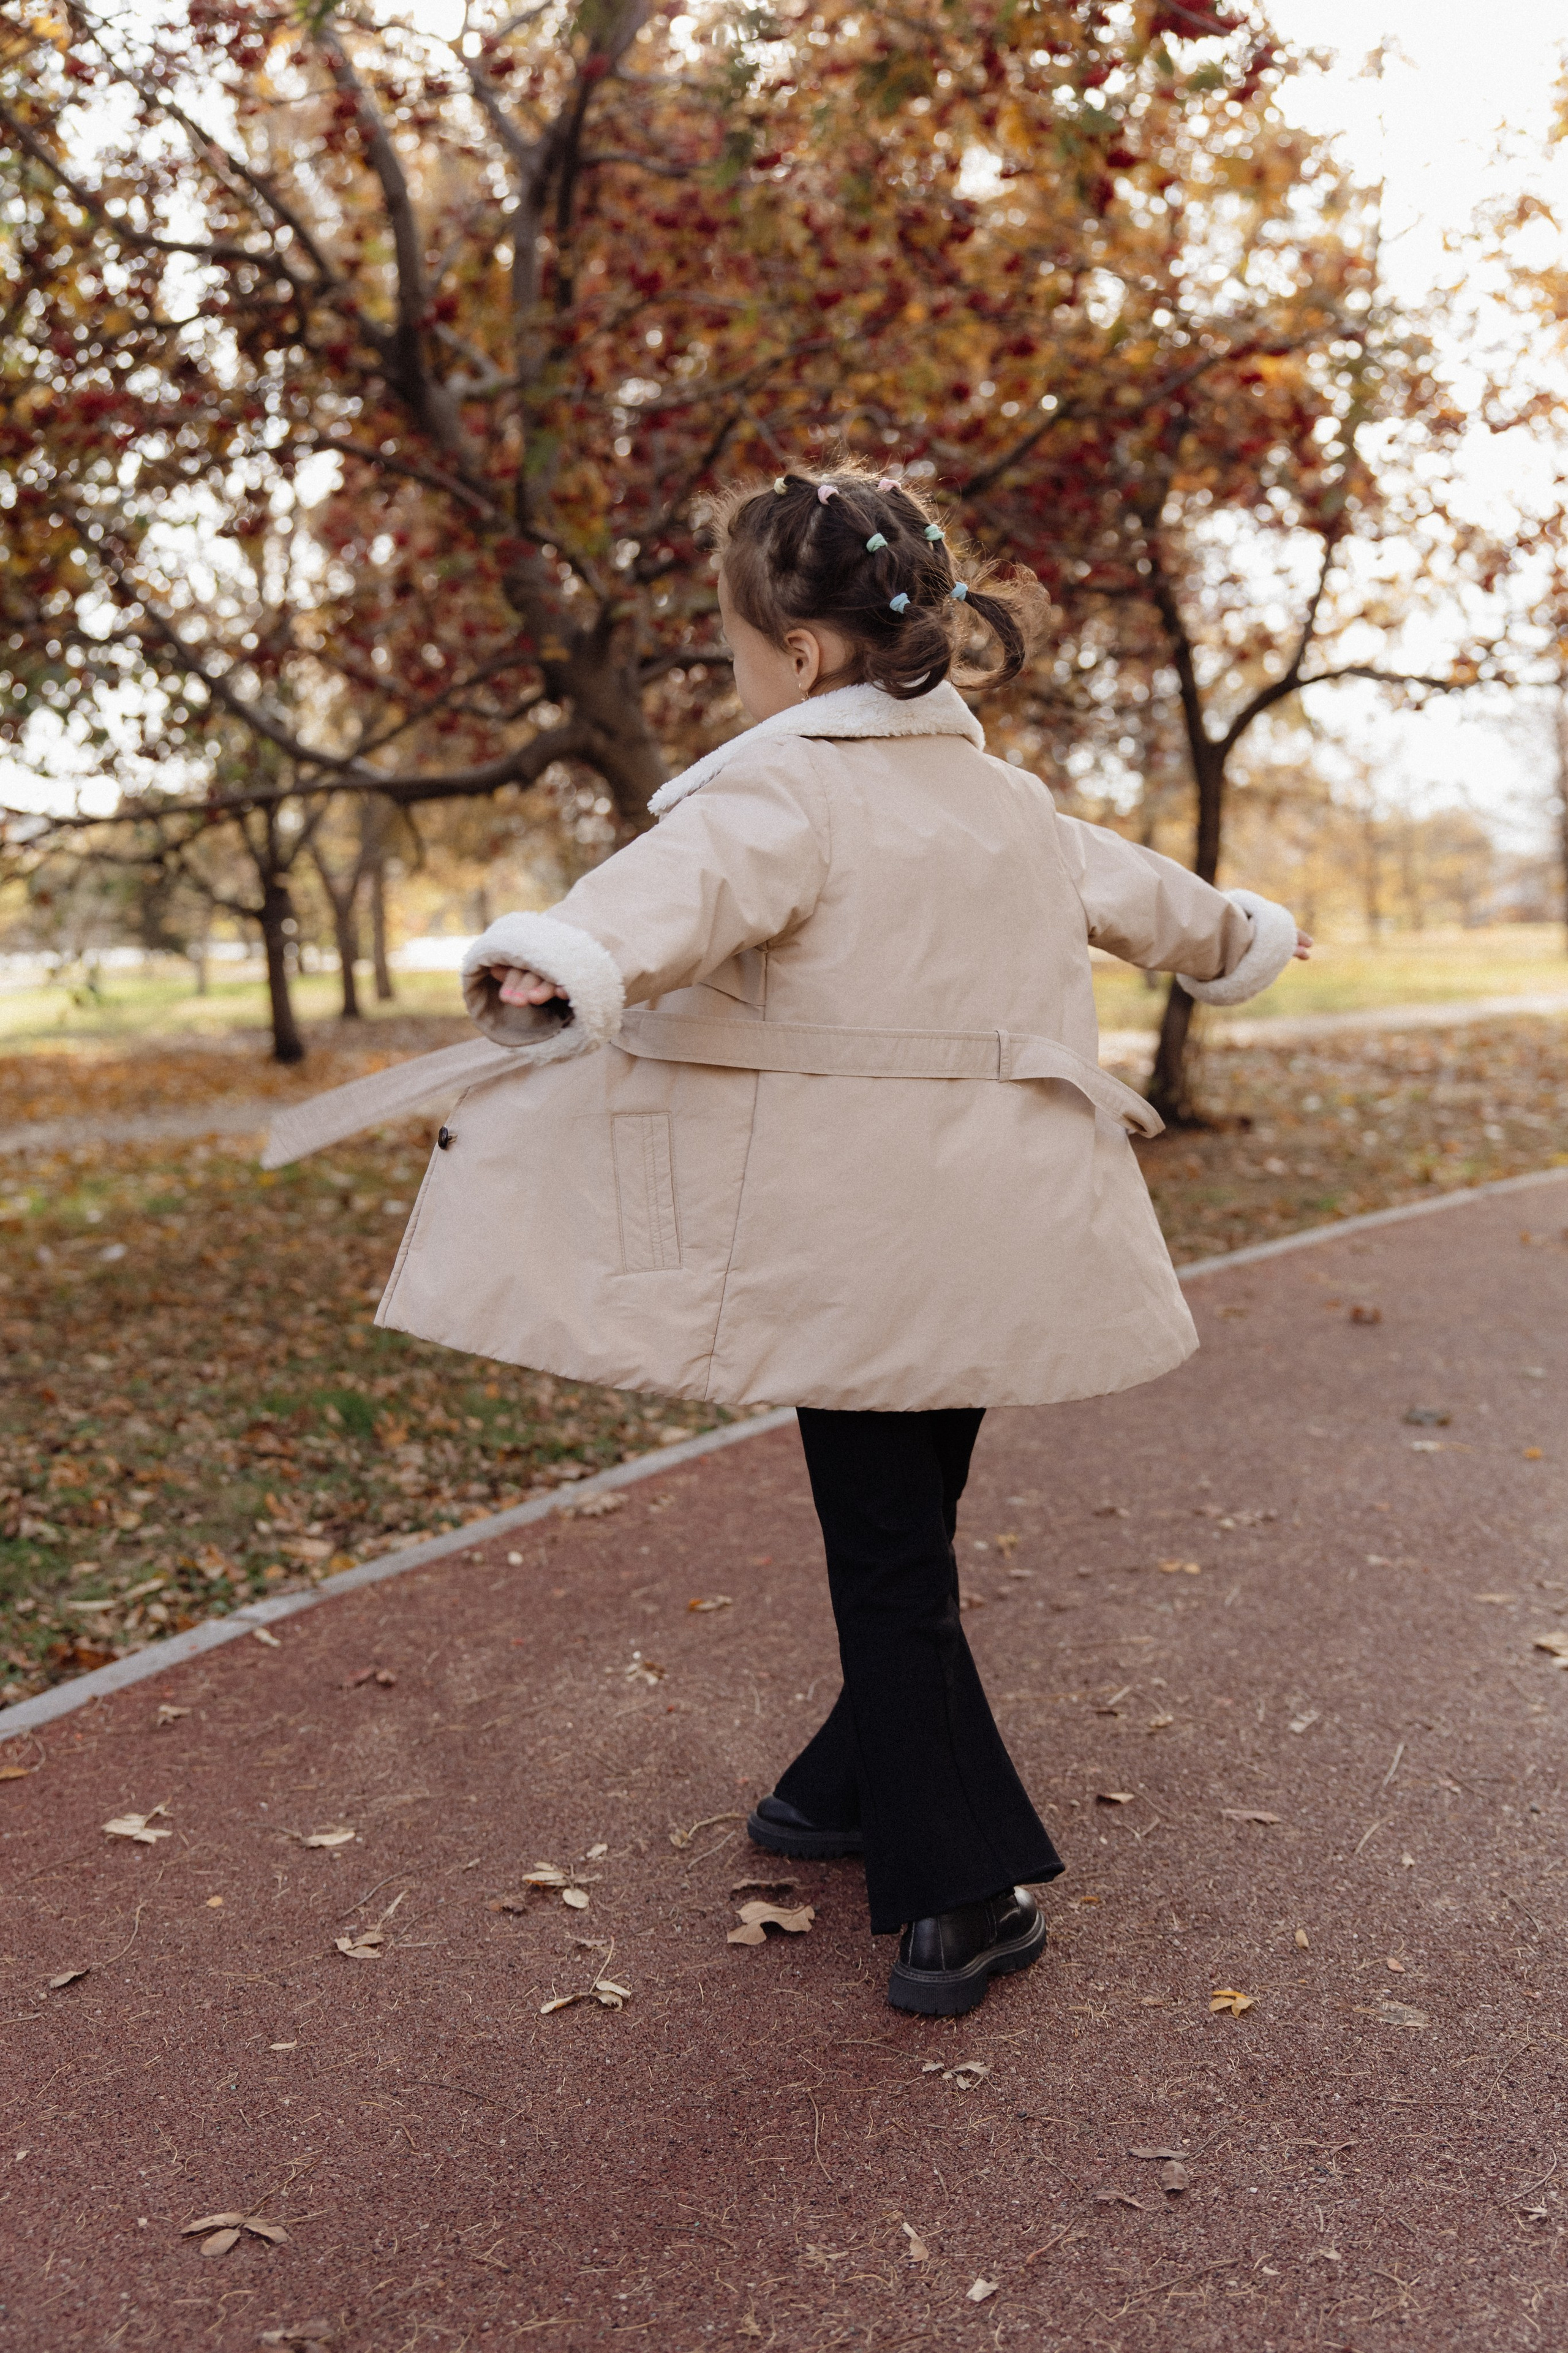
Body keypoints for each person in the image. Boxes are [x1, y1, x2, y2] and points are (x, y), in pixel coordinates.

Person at [368, 461, 1310, 2017]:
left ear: (799, 655)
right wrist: (1240, 941)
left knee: (886, 1558)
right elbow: (1151, 899)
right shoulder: (1003, 801)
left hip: (855, 1252)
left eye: (732, 644)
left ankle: (961, 1894)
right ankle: (837, 1787)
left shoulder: (781, 790)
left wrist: (559, 960)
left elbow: (675, 888)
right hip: (992, 1236)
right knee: (906, 1536)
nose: (731, 675)